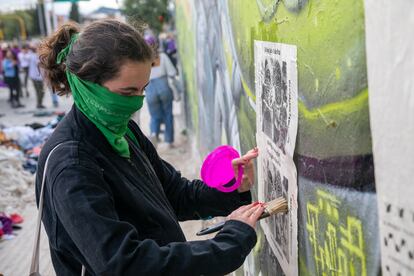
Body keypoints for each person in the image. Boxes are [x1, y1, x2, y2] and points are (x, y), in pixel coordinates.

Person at [36, 20, 264, 275]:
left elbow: (174, 195)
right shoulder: (72, 163)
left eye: (142, 90)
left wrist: (232, 188)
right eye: (126, 92)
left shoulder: (123, 131)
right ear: (86, 84)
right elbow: (123, 263)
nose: (137, 103)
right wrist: (229, 244)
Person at [145, 35, 177, 148]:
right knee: (168, 114)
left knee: (154, 116)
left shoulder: (143, 61)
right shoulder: (162, 56)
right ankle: (169, 141)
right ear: (156, 44)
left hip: (150, 90)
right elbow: (172, 72)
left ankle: (154, 134)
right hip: (164, 88)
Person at [28, 44, 46, 108]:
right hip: (35, 77)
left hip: (39, 77)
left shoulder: (36, 55)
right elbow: (39, 63)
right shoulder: (32, 56)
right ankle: (39, 104)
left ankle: (39, 103)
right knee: (39, 91)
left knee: (41, 91)